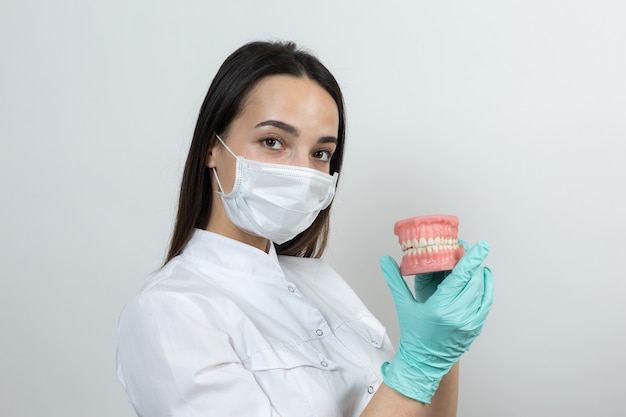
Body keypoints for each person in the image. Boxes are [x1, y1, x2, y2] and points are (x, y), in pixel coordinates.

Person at [116, 40, 494, 417]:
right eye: (273, 141)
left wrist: (442, 352)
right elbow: (407, 386)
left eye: (320, 153)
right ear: (211, 148)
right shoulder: (167, 314)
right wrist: (415, 368)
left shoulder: (320, 284)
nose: (301, 172)